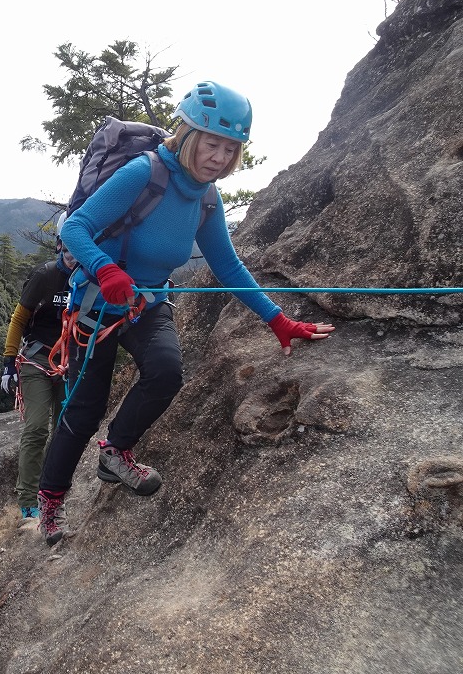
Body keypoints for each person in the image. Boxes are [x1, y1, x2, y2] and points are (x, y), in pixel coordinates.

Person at [38, 81, 335, 546]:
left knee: (166, 372)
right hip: (97, 303)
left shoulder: (207, 198)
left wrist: (278, 320)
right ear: (190, 134)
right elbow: (76, 227)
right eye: (212, 143)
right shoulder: (145, 172)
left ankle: (115, 452)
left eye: (230, 148)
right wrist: (105, 269)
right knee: (84, 407)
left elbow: (228, 266)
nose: (219, 157)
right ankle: (51, 502)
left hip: (147, 303)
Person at [0, 213, 76, 519]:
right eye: (67, 248)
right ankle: (28, 500)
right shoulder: (44, 276)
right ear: (58, 245)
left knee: (64, 430)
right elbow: (19, 319)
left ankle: (53, 494)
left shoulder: (89, 279)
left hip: (71, 361)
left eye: (78, 249)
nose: (72, 256)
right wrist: (9, 362)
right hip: (37, 358)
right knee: (36, 428)